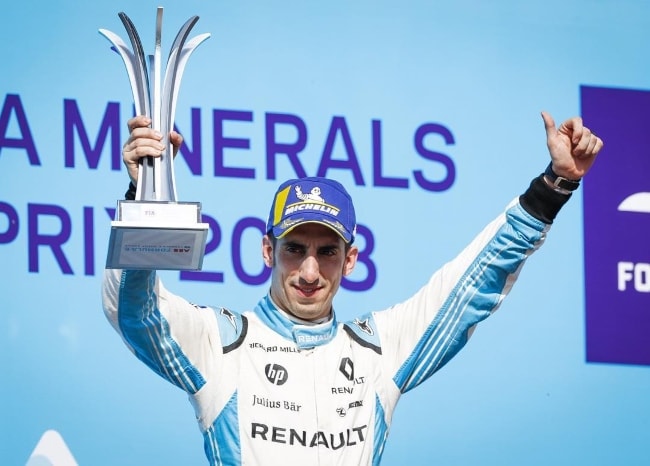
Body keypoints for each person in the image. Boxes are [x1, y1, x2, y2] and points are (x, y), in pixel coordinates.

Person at [102, 112, 603, 465]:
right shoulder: (220, 343)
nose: (310, 271)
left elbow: (471, 282)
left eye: (328, 252)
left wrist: (553, 186)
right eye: (295, 249)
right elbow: (133, 311)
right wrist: (144, 198)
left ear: (351, 260)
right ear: (266, 251)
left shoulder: (377, 350)